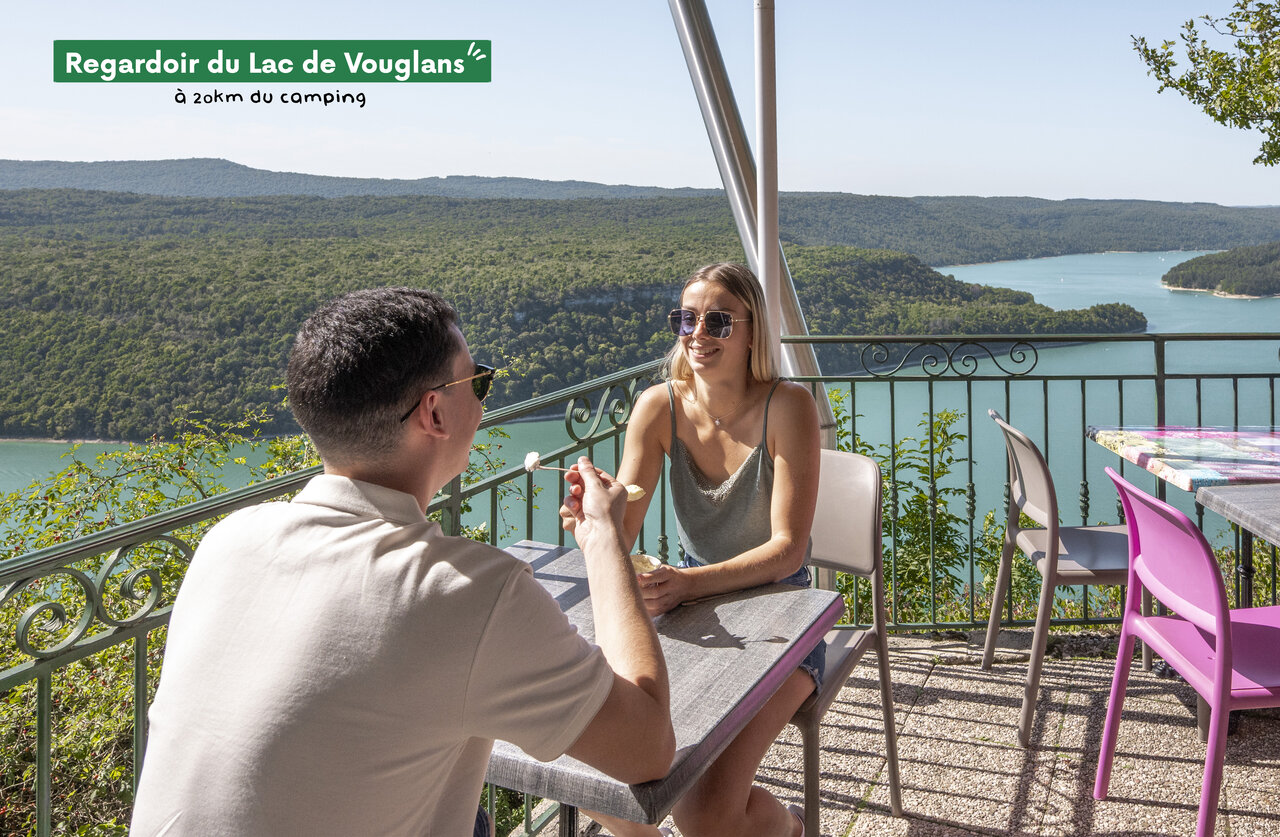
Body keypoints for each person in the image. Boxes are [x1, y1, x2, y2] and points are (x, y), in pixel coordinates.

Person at [129, 287, 674, 837]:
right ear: (434, 412)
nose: (483, 400)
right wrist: (603, 536)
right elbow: (648, 748)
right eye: (477, 381)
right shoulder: (468, 591)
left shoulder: (228, 540)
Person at [562, 262, 822, 837]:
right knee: (587, 764)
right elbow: (622, 529)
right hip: (692, 611)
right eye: (687, 318)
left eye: (718, 321)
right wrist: (594, 522)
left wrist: (686, 584)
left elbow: (787, 552)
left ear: (753, 330)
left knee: (703, 813)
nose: (697, 333)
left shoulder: (789, 407)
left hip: (785, 619)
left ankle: (791, 828)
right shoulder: (659, 406)